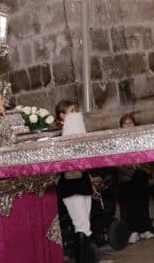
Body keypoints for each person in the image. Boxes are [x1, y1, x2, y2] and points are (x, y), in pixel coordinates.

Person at [54, 100, 99, 262]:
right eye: (72, 111)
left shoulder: (79, 128)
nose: (76, 113)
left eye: (75, 110)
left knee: (86, 223)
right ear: (62, 115)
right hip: (69, 183)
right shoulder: (57, 134)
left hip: (83, 180)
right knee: (80, 223)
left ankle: (85, 257)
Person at [116, 114, 154, 244]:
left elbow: (148, 155)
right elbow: (116, 159)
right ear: (121, 126)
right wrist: (130, 166)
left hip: (140, 173)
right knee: (131, 203)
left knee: (142, 202)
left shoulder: (141, 138)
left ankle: (145, 229)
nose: (128, 125)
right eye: (125, 123)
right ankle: (133, 230)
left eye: (131, 123)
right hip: (126, 177)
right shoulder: (118, 141)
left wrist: (139, 166)